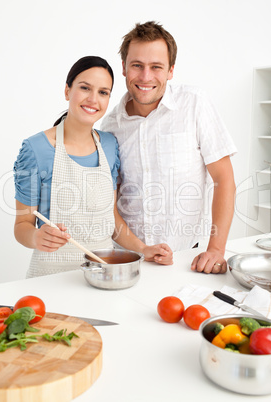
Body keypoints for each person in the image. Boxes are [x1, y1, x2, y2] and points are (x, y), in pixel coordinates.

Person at [13, 55, 173, 278]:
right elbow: (22, 224)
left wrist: (144, 249)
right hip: (49, 278)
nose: (93, 99)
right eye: (85, 88)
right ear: (67, 91)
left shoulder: (108, 145)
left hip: (101, 275)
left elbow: (112, 219)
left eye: (103, 92)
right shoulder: (36, 149)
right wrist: (36, 237)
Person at [101, 22, 237, 274]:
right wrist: (141, 248)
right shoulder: (110, 126)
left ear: (171, 70)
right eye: (137, 65)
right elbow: (110, 202)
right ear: (123, 68)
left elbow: (224, 179)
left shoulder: (194, 103)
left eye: (156, 67)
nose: (145, 77)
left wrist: (216, 249)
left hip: (187, 257)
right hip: (127, 259)